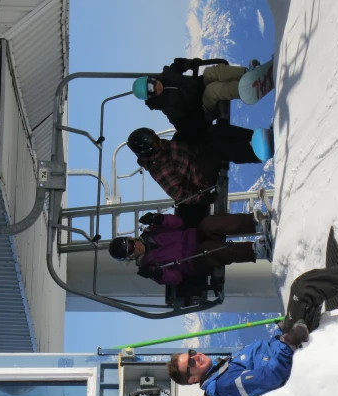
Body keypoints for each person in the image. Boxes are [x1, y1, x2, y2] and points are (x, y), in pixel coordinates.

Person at [165, 240, 338, 396]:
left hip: (289, 345)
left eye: (192, 353)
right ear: (193, 378)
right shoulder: (224, 386)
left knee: (303, 289)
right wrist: (288, 342)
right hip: (294, 354)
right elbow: (270, 377)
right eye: (191, 363)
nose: (196, 357)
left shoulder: (222, 370)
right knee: (303, 290)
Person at [107, 212, 271, 286]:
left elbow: (177, 223)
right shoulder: (148, 267)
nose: (134, 246)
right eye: (130, 250)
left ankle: (254, 222)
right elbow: (176, 278)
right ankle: (256, 250)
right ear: (129, 257)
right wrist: (158, 273)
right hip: (193, 261)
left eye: (130, 242)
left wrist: (159, 219)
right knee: (207, 250)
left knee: (208, 224)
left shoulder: (151, 231)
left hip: (194, 236)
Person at [127, 126, 263, 205]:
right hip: (199, 177)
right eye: (155, 143)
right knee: (216, 150)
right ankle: (257, 153)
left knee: (215, 131)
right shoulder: (160, 171)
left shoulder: (161, 148)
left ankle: (255, 136)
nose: (159, 142)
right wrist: (202, 198)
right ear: (148, 151)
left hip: (195, 154)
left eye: (156, 138)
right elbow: (180, 196)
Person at [132, 58, 256, 138]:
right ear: (150, 97)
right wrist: (204, 120)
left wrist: (190, 64)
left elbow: (177, 64)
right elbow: (184, 127)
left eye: (152, 83)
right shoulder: (167, 107)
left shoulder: (166, 76)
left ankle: (248, 73)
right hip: (201, 107)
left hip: (199, 84)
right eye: (151, 91)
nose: (156, 87)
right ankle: (248, 88)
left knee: (210, 72)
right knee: (213, 90)